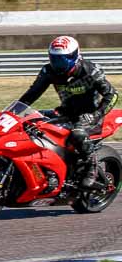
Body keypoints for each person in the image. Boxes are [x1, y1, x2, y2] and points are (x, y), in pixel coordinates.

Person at [19, 36, 118, 189]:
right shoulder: (49, 71)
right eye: (55, 59)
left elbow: (112, 95)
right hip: (66, 112)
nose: (59, 64)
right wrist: (13, 112)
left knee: (78, 133)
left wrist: (97, 114)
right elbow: (32, 94)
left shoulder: (90, 71)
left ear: (75, 55)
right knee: (30, 120)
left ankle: (91, 167)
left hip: (91, 115)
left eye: (64, 59)